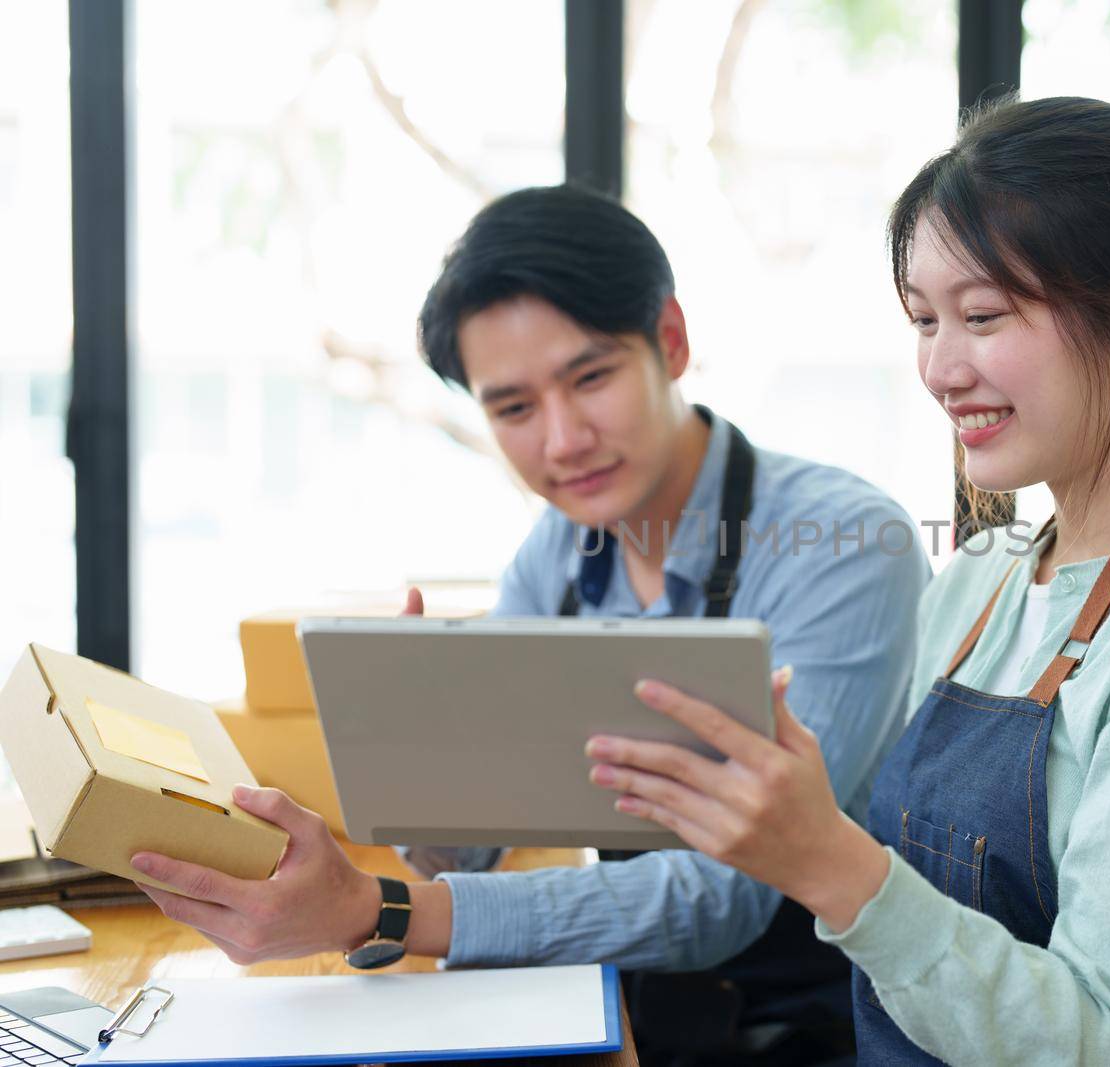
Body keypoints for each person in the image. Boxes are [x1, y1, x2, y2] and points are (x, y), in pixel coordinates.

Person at [583, 91, 1110, 1065]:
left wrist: (830, 858)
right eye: (922, 319)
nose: (940, 368)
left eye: (982, 315)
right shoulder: (984, 575)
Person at [128, 185, 929, 1065]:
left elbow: (724, 897)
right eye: (513, 409)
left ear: (671, 341)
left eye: (590, 379)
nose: (562, 440)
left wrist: (380, 909)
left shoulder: (849, 545)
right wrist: (415, 755)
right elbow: (466, 846)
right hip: (638, 1001)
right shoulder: (558, 550)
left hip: (820, 1026)